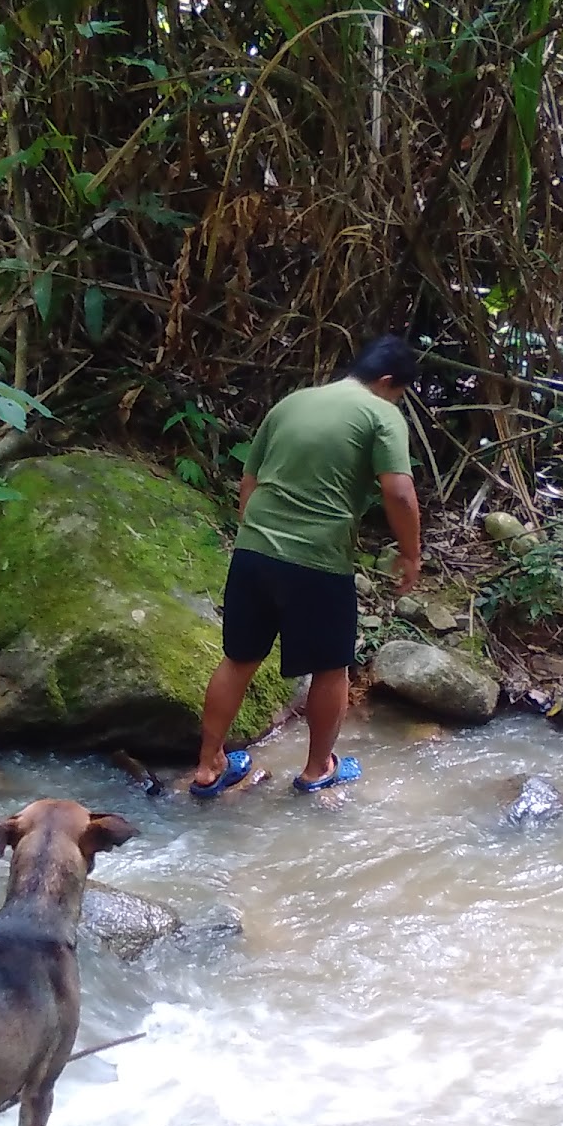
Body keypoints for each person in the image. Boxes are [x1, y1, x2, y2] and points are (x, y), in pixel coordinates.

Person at [191, 334, 422, 798]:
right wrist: (411, 552)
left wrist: (258, 539)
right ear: (387, 382)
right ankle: (319, 769)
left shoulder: (292, 403)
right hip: (317, 560)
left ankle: (209, 765)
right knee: (331, 668)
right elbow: (398, 491)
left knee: (238, 660)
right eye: (399, 393)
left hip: (254, 551)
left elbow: (250, 482)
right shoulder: (382, 414)